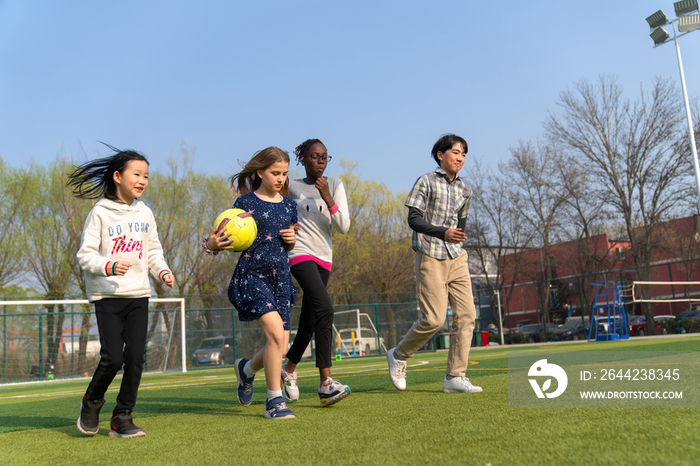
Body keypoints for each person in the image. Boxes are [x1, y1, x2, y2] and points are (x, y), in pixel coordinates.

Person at [69, 147, 175, 438]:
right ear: (117, 176)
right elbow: (85, 255)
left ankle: (122, 416)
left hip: (139, 293)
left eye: (146, 176)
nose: (142, 181)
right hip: (108, 296)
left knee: (137, 358)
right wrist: (109, 265)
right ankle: (91, 402)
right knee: (113, 358)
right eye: (136, 174)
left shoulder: (146, 213)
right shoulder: (100, 212)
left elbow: (153, 250)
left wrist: (161, 271)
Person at [203, 147, 298, 419]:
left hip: (280, 277)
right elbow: (219, 240)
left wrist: (291, 240)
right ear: (260, 172)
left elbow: (289, 243)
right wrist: (211, 244)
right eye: (275, 173)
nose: (280, 178)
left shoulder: (290, 206)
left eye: (284, 174)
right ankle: (274, 402)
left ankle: (246, 370)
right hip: (252, 276)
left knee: (279, 344)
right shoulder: (244, 204)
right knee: (276, 334)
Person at [386, 134, 482, 394]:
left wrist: (456, 235)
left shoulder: (466, 190)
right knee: (434, 319)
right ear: (440, 154)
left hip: (457, 257)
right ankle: (399, 355)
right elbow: (414, 220)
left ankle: (455, 376)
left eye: (464, 153)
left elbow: (461, 225)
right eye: (455, 152)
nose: (460, 157)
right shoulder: (426, 181)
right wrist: (443, 232)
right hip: (430, 255)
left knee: (467, 317)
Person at [281, 138, 352, 407]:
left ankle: (287, 370)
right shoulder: (291, 185)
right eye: (314, 156)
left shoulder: (334, 184)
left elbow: (344, 226)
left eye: (324, 157)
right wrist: (287, 226)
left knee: (310, 322)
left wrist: (328, 197)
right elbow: (279, 212)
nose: (320, 161)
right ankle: (326, 384)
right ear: (303, 159)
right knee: (326, 309)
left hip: (324, 258)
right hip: (299, 254)